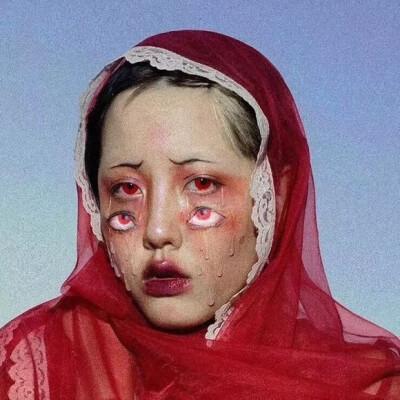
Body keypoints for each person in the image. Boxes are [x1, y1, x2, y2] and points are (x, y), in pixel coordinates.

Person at [0, 30, 399, 399]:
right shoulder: (31, 365)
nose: (158, 230)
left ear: (276, 193)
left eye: (202, 184)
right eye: (126, 189)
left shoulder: (368, 388)